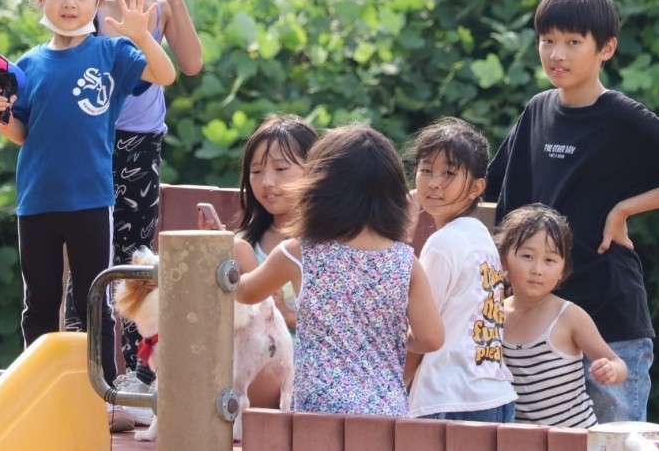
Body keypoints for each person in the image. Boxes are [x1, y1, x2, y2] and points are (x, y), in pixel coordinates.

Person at [486, 0, 659, 423]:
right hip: (535, 325)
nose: (556, 54)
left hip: (610, 319)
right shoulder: (537, 110)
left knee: (616, 443)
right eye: (547, 41)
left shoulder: (622, 116)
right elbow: (489, 190)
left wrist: (623, 210)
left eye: (573, 42)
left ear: (606, 48)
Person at [0, 0, 175, 431]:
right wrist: (1, 119)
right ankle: (38, 391)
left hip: (93, 198)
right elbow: (23, 133)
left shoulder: (112, 52)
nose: (70, 3)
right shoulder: (27, 65)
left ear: (96, 0)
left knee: (96, 301)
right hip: (36, 200)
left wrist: (141, 35)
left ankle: (101, 399)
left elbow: (165, 73)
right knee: (39, 302)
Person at [62, 0, 203, 390]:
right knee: (86, 254)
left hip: (141, 144)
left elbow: (190, 64)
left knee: (135, 254)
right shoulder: (87, 6)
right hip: (91, 142)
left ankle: (141, 373)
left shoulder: (162, 10)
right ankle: (83, 367)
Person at [233, 124, 445, 416]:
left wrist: (229, 257)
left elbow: (245, 292)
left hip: (318, 409)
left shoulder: (299, 253)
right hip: (386, 409)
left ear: (319, 188)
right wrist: (380, 339)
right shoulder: (405, 261)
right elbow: (432, 338)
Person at [405, 118, 517, 423]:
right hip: (493, 395)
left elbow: (421, 333)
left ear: (477, 187)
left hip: (450, 401)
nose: (434, 182)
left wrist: (394, 387)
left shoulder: (443, 243)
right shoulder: (480, 236)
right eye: (426, 170)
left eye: (449, 173)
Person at [496, 203, 627, 427]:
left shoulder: (569, 316)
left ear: (563, 270)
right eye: (527, 256)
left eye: (549, 260)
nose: (537, 269)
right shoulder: (494, 314)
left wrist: (611, 370)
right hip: (520, 441)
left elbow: (618, 362)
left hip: (573, 439)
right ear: (504, 260)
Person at [229, 113, 319, 331]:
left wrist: (285, 315)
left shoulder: (331, 244)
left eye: (280, 169)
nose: (267, 182)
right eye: (256, 171)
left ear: (314, 169)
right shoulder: (242, 242)